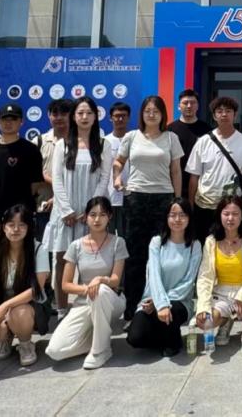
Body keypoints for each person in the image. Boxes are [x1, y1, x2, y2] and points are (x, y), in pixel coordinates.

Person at [113, 95, 184, 320]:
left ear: (163, 114)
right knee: (136, 255)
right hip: (136, 199)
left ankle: (160, 304)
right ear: (142, 114)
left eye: (156, 111)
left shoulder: (171, 138)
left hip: (163, 199)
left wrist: (177, 201)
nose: (151, 114)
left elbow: (176, 171)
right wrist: (117, 177)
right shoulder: (131, 137)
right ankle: (132, 309)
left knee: (161, 254)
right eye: (147, 111)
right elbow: (118, 161)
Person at [0, 103, 44, 317]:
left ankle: (21, 312)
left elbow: (35, 185)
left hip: (19, 220)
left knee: (22, 263)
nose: (9, 123)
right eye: (5, 119)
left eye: (13, 119)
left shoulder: (30, 150)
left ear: (21, 122)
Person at [46, 97, 113, 315]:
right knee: (61, 260)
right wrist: (66, 210)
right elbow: (57, 179)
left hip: (91, 214)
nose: (84, 117)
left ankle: (91, 307)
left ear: (96, 116)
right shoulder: (62, 144)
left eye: (89, 113)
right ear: (73, 117)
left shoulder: (103, 145)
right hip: (65, 213)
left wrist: (91, 211)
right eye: (80, 113)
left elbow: (104, 178)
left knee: (92, 260)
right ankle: (61, 309)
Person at [45, 197, 128, 369]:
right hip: (84, 302)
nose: (97, 219)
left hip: (111, 300)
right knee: (55, 351)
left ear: (109, 217)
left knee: (101, 291)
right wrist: (88, 289)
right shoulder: (76, 246)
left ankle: (101, 350)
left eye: (102, 215)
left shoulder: (117, 243)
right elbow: (65, 285)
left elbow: (115, 280)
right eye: (92, 215)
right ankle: (98, 338)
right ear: (86, 217)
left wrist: (100, 280)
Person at [127, 198, 202, 357]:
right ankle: (167, 335)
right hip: (152, 300)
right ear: (166, 218)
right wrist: (158, 303)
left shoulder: (194, 245)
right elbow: (153, 275)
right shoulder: (157, 242)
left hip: (179, 301)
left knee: (172, 310)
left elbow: (188, 282)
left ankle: (172, 341)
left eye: (182, 215)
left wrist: (163, 304)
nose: (177, 219)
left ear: (189, 218)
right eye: (172, 215)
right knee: (135, 338)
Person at [0, 205, 50, 367]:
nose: (16, 229)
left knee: (19, 312)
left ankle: (25, 344)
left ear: (29, 227)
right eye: (11, 224)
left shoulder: (39, 250)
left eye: (22, 225)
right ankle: (5, 337)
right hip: (1, 307)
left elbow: (36, 290)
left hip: (31, 307)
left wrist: (4, 307)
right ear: (4, 227)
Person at [195, 196, 242, 358]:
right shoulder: (211, 241)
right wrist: (203, 307)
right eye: (226, 214)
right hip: (221, 293)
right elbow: (205, 276)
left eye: (235, 214)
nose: (230, 218)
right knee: (205, 322)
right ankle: (225, 321)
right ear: (219, 215)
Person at [185, 96, 242, 242]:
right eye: (219, 111)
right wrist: (190, 204)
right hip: (204, 206)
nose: (224, 114)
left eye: (228, 111)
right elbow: (194, 176)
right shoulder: (203, 141)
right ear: (214, 116)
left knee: (231, 245)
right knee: (205, 245)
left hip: (232, 208)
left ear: (235, 114)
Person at [36, 98, 72, 240]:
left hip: (72, 208)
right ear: (48, 116)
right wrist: (57, 187)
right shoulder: (39, 142)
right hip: (45, 207)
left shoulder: (80, 143)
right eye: (55, 114)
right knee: (44, 249)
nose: (59, 117)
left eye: (63, 113)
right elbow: (33, 171)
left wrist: (58, 196)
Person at [168, 89, 212, 199]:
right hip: (174, 185)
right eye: (185, 103)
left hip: (201, 187)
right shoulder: (170, 130)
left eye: (193, 103)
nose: (189, 106)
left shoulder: (207, 130)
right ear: (178, 106)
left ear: (198, 106)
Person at [102, 102, 131, 236]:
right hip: (109, 197)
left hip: (130, 196)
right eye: (117, 116)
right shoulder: (104, 142)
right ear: (110, 118)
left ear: (128, 117)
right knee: (109, 236)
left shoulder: (135, 140)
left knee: (128, 236)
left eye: (123, 116)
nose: (120, 119)